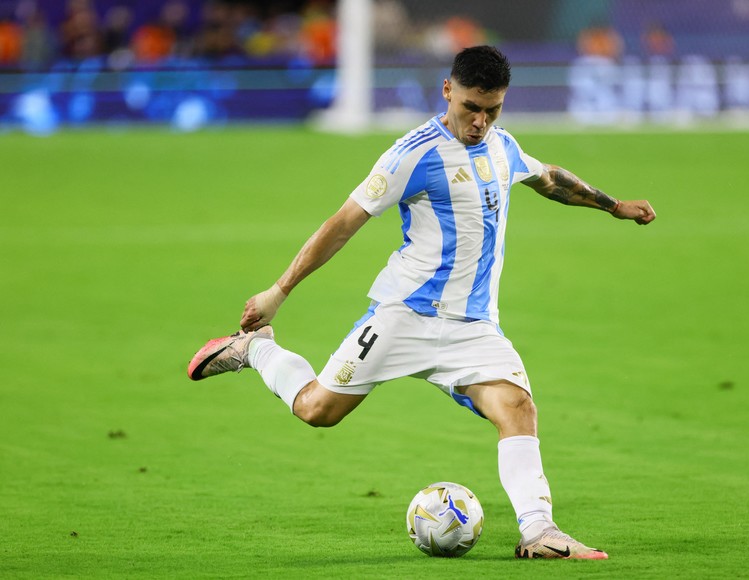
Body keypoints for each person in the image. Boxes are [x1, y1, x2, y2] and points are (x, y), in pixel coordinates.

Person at [188, 45, 655, 560]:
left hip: (474, 328)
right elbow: (343, 224)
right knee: (318, 410)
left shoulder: (501, 146)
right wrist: (279, 291)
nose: (480, 121)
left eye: (492, 110)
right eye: (470, 108)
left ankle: (539, 532)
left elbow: (547, 177)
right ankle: (255, 349)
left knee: (518, 408)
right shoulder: (413, 154)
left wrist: (614, 206)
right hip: (403, 316)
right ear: (448, 90)